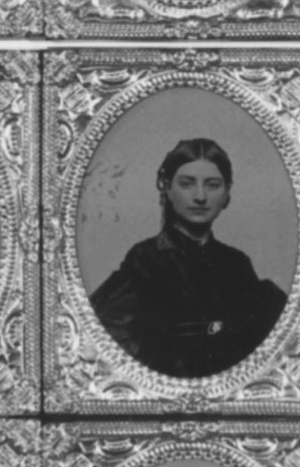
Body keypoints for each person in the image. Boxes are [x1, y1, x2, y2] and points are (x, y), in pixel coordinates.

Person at [86, 136, 288, 379]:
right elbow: (108, 341)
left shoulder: (237, 263)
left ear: (227, 194)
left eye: (212, 185)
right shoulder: (145, 260)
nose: (200, 196)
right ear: (167, 187)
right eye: (187, 183)